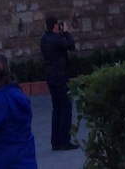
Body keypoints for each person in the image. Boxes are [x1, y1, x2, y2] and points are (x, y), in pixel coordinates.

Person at [39, 14, 76, 152]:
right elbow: (71, 45)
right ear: (55, 25)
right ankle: (64, 141)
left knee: (56, 109)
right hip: (61, 76)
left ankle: (55, 142)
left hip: (51, 77)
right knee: (65, 108)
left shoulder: (44, 40)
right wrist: (66, 32)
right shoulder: (57, 39)